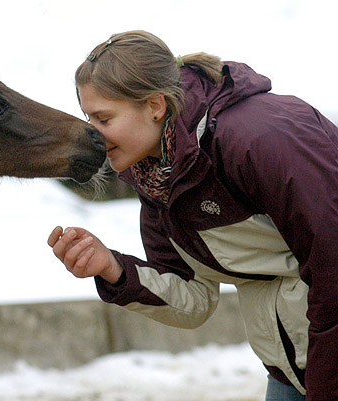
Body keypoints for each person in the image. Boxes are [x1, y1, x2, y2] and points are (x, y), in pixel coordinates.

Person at [47, 30, 338, 401]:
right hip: (295, 368)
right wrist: (112, 269)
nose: (94, 134)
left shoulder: (257, 137)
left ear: (155, 106)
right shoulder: (156, 176)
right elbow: (194, 297)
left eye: (104, 119)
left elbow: (332, 263)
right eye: (89, 118)